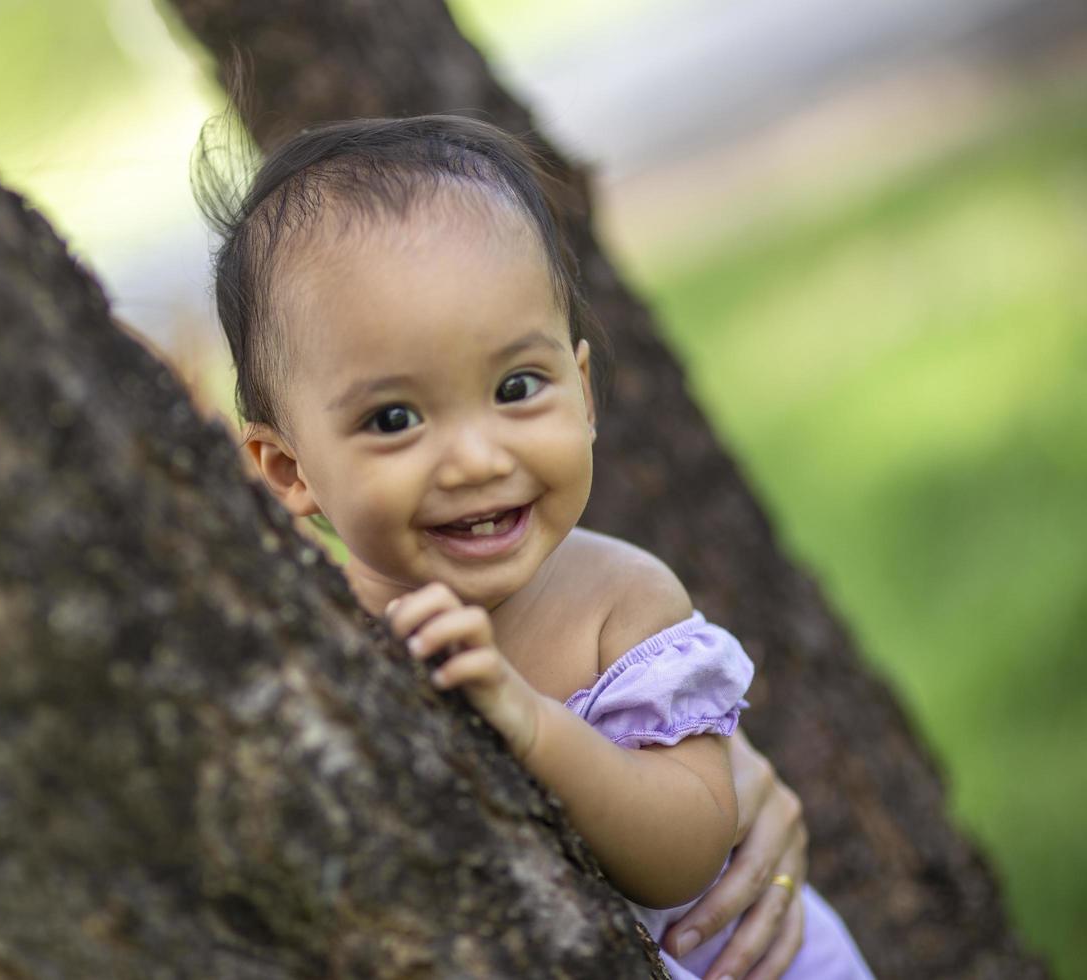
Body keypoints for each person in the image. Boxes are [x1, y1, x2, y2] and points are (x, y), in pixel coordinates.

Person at [196, 113, 873, 979]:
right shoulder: (314, 639)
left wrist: (528, 722)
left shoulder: (618, 601)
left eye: (517, 387)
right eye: (394, 418)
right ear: (289, 469)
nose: (478, 459)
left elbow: (687, 856)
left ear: (583, 394)